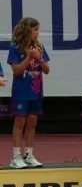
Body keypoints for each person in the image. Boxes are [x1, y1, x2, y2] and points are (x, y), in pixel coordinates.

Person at [6, 17, 50, 169]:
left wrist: (40, 59)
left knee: (32, 123)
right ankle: (16, 157)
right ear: (27, 30)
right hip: (21, 91)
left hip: (36, 91)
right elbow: (16, 71)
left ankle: (29, 155)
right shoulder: (15, 47)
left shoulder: (39, 46)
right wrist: (29, 57)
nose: (38, 33)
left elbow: (47, 70)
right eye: (35, 30)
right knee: (20, 123)